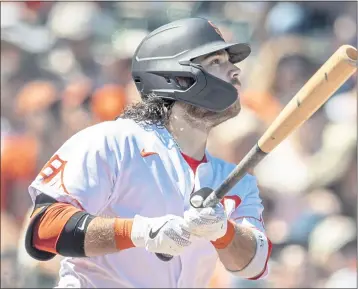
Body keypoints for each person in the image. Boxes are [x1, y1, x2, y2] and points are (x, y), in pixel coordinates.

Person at [24, 18, 272, 288]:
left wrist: (223, 232)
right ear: (176, 77)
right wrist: (141, 232)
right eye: (216, 62)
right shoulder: (113, 141)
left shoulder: (235, 178)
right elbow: (43, 228)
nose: (235, 70)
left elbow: (255, 265)